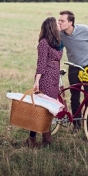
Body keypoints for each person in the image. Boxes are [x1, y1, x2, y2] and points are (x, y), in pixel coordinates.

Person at [58, 10, 88, 128]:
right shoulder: (61, 34)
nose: (59, 23)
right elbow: (56, 46)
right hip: (73, 67)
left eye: (62, 21)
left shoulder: (85, 30)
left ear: (70, 22)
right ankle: (77, 125)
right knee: (75, 97)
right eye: (59, 20)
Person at [26, 17, 63, 148]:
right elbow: (41, 63)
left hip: (54, 78)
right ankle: (39, 139)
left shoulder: (57, 42)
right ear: (51, 27)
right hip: (45, 78)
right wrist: (37, 81)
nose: (59, 25)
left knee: (48, 109)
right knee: (43, 110)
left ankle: (40, 138)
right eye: (57, 24)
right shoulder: (44, 43)